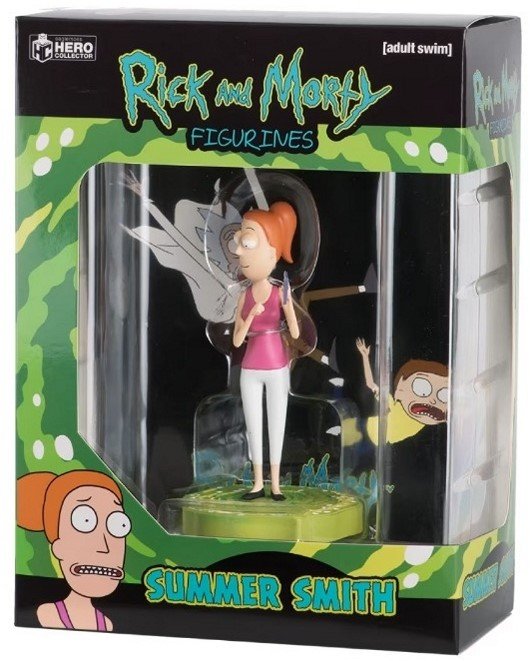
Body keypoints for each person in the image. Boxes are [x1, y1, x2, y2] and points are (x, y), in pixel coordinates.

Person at [233, 201, 300, 500]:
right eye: (238, 242)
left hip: (276, 366)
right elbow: (237, 341)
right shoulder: (244, 296)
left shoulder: (281, 292)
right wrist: (251, 315)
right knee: (253, 426)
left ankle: (275, 485)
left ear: (273, 253)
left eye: (247, 242)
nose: (238, 251)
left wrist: (288, 308)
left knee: (277, 424)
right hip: (250, 368)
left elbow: (295, 333)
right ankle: (258, 483)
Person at [17, 470, 131, 631]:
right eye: (85, 520)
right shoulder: (47, 613)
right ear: (58, 547)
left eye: (118, 525)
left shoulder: (107, 624)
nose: (104, 546)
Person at [355, 338, 448, 443]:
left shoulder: (429, 419)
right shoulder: (395, 405)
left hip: (380, 445)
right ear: (400, 390)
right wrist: (365, 356)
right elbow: (370, 384)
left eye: (444, 395)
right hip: (363, 431)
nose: (432, 401)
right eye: (421, 389)